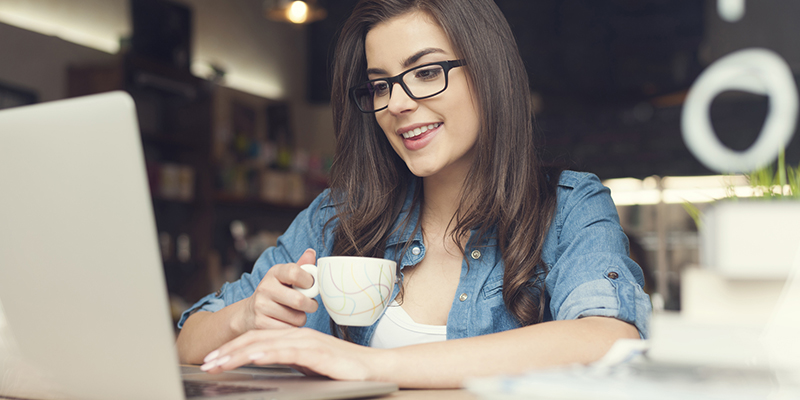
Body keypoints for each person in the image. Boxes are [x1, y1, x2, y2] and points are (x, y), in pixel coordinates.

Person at [176, 0, 651, 389]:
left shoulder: (568, 207)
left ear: (489, 73)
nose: (397, 104)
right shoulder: (337, 217)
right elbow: (188, 341)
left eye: (425, 72)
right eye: (380, 84)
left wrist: (371, 366)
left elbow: (609, 338)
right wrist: (246, 317)